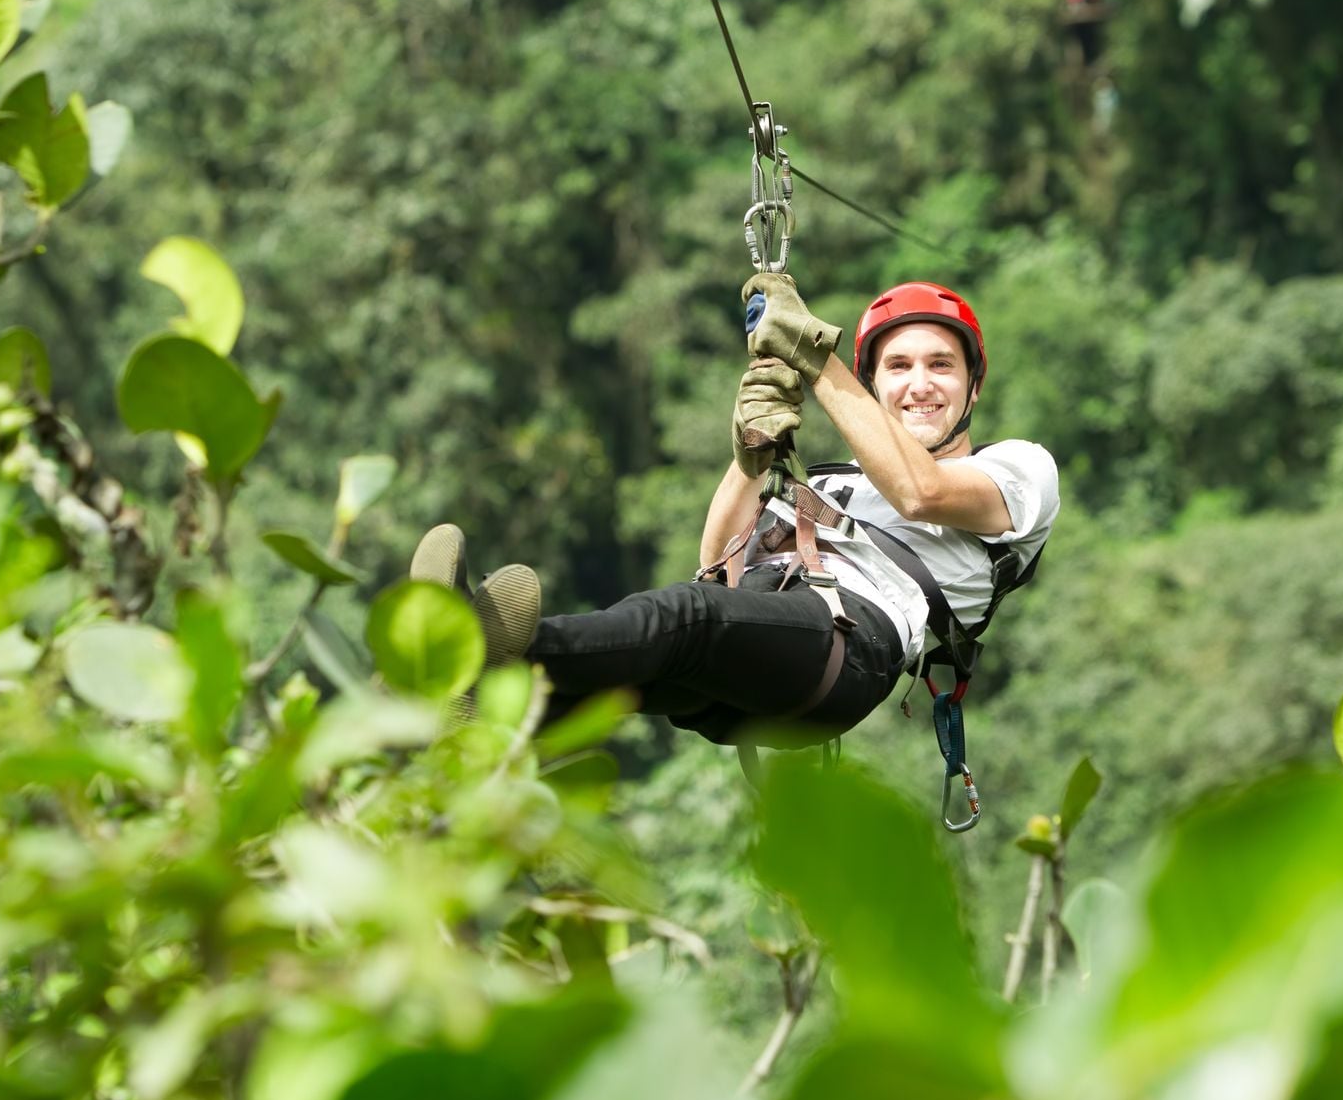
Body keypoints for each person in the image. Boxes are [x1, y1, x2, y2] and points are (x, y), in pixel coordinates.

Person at [413, 274, 1059, 747]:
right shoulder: (833, 482)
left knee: (680, 619)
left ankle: (470, 653)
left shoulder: (1017, 472)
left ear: (973, 387)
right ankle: (447, 725)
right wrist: (751, 451)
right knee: (642, 667)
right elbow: (716, 571)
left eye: (941, 366)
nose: (920, 384)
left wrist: (813, 357)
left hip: (850, 648)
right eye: (899, 367)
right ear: (877, 386)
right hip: (771, 638)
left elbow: (924, 494)